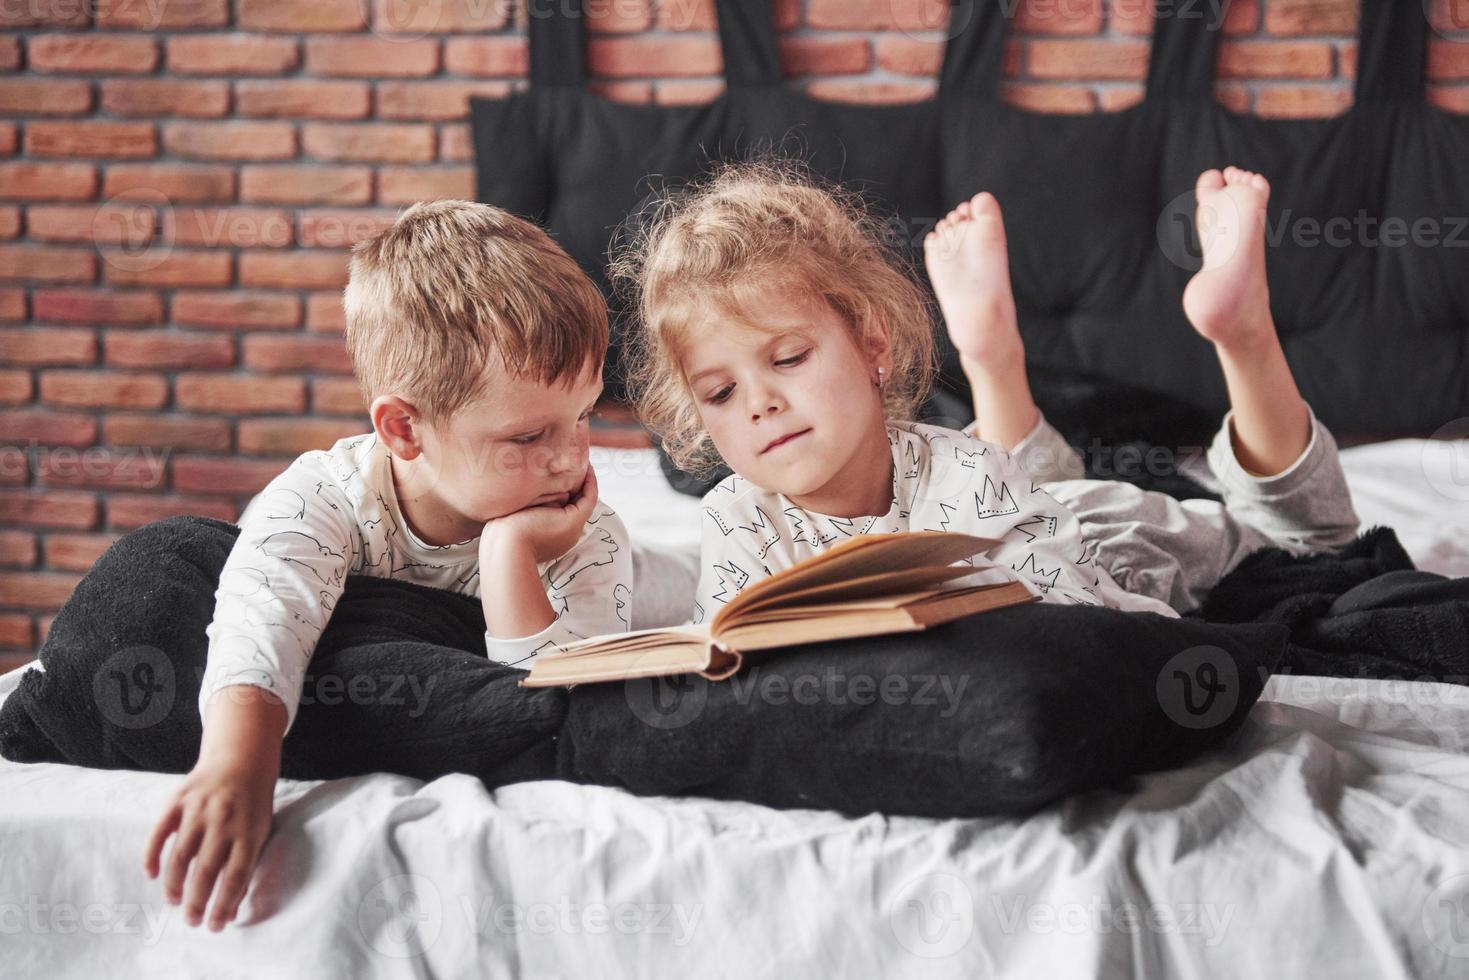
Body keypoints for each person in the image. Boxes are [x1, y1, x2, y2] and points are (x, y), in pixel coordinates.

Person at [144, 201, 634, 932]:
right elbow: (265, 609)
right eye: (529, 434)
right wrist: (237, 765)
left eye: (585, 415)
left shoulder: (585, 533)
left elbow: (559, 719)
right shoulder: (324, 498)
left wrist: (509, 556)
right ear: (404, 428)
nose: (571, 458)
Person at [613, 160, 1359, 628]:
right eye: (717, 392)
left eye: (789, 358)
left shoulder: (969, 474)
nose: (757, 403)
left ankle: (1243, 333)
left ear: (873, 344)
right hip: (1029, 510)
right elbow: (733, 647)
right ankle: (993, 358)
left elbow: (1082, 630)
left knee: (1308, 542)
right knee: (1033, 478)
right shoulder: (734, 519)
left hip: (1114, 551)